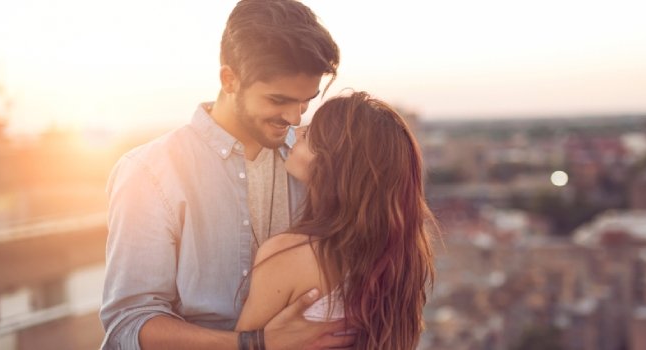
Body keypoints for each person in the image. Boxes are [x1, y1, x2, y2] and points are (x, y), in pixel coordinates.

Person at [100, 1, 352, 349]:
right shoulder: (149, 172)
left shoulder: (310, 159)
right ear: (229, 79)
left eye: (305, 102)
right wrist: (254, 344)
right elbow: (128, 326)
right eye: (278, 99)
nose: (295, 118)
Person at [233, 91, 437, 349]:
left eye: (312, 133)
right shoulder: (400, 260)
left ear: (334, 163)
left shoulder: (288, 255)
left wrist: (259, 343)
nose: (300, 128)